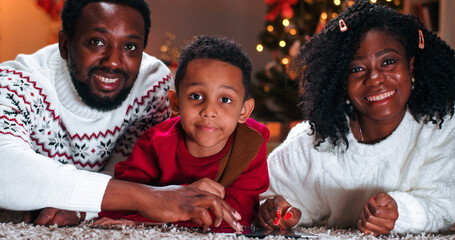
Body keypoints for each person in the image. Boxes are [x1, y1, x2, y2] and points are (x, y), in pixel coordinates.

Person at [0, 0, 242, 231]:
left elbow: (145, 175)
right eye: (96, 42)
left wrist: (82, 209)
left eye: (130, 47)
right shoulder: (17, 82)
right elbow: (6, 169)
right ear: (65, 44)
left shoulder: (153, 85)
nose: (113, 62)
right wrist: (146, 198)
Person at [258, 0, 455, 236]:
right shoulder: (315, 141)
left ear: (411, 66)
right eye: (357, 69)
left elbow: (445, 202)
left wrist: (399, 212)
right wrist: (276, 210)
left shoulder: (441, 127)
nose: (374, 78)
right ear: (341, 80)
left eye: (388, 62)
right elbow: (270, 195)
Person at [96, 35, 270, 230]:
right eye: (196, 96)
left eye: (225, 100)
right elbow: (120, 204)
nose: (209, 111)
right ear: (176, 103)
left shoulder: (252, 142)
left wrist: (166, 214)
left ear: (244, 111)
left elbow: (237, 218)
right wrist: (179, 201)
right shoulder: (155, 142)